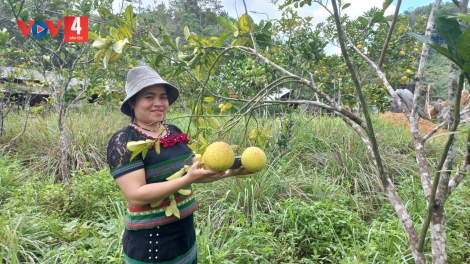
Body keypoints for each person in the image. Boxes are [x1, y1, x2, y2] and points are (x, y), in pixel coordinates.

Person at [107, 66, 250, 264]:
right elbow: (136, 195)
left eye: (163, 97)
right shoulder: (124, 140)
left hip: (184, 233)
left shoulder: (173, 132)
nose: (158, 103)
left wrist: (231, 171)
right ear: (133, 101)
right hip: (151, 240)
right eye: (149, 97)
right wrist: (187, 179)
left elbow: (195, 171)